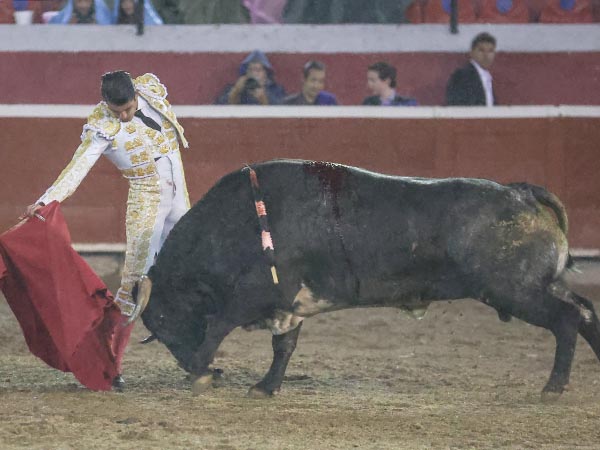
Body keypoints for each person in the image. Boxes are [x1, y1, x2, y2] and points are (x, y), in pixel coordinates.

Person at [24, 71, 191, 390]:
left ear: (135, 95)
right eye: (117, 111)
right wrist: (46, 200)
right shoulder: (102, 125)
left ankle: (196, 356)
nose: (124, 116)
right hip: (147, 201)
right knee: (134, 284)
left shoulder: (150, 90)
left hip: (178, 196)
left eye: (128, 109)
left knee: (193, 268)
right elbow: (78, 166)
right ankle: (109, 365)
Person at [215, 50, 286, 105]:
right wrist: (235, 92)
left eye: (258, 70)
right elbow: (217, 108)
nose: (254, 73)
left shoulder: (276, 89)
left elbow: (283, 109)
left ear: (266, 74)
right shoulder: (234, 88)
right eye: (250, 70)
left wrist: (263, 98)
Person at [445, 32, 497, 106]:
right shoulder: (462, 75)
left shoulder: (487, 77)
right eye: (481, 50)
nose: (486, 55)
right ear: (472, 52)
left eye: (490, 51)